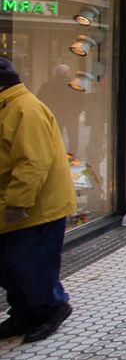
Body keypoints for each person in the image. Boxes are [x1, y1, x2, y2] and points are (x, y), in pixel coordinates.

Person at [0, 57, 76, 343]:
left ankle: (51, 308)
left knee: (30, 263)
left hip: (36, 207)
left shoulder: (23, 109)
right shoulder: (8, 107)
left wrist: (18, 203)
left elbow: (33, 163)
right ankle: (23, 313)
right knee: (9, 264)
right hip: (14, 204)